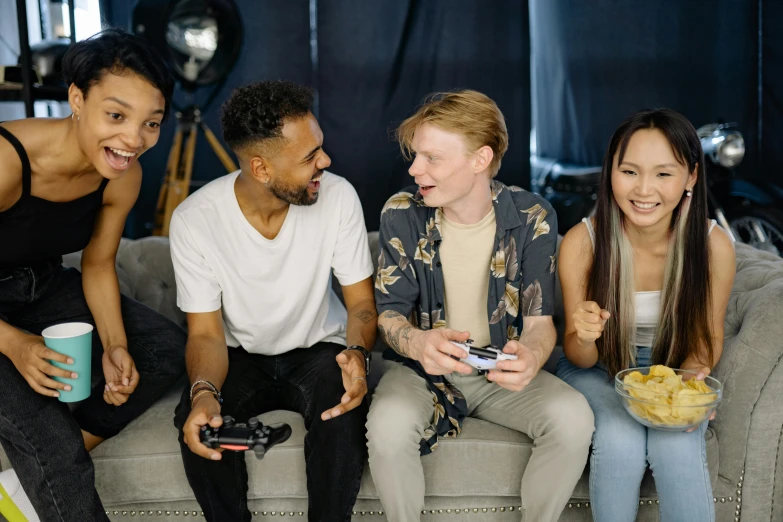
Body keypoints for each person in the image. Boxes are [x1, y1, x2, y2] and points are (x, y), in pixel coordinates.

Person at [367, 90, 594, 522]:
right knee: (387, 429)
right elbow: (389, 314)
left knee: (573, 418)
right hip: (420, 372)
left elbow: (539, 321)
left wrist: (531, 356)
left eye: (432, 158)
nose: (415, 169)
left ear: (480, 159)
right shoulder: (401, 212)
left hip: (496, 372)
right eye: (415, 156)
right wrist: (416, 343)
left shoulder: (533, 217)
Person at [0, 29, 186, 521]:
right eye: (117, 116)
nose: (133, 140)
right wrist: (16, 344)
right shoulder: (6, 161)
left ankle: (26, 474)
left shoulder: (123, 173)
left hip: (40, 287)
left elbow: (99, 264)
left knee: (165, 349)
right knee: (45, 427)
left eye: (152, 123)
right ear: (77, 99)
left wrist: (114, 344)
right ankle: (48, 454)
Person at [171, 80, 377, 522]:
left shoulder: (338, 196)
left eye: (320, 147)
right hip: (239, 356)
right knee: (199, 421)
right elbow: (205, 333)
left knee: (344, 408)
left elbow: (360, 303)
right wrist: (204, 393)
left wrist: (357, 353)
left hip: (320, 351)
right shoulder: (194, 220)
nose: (325, 161)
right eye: (309, 157)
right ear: (261, 168)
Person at [556, 108, 736, 522]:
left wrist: (691, 391)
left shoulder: (713, 247)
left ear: (691, 177)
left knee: (675, 442)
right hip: (597, 368)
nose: (644, 189)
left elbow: (704, 343)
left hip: (672, 367)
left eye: (663, 174)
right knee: (619, 438)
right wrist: (584, 336)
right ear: (610, 173)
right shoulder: (582, 243)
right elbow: (578, 355)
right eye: (630, 171)